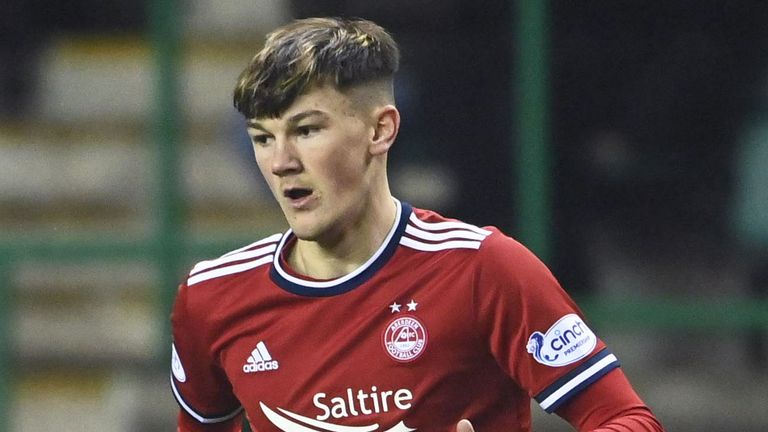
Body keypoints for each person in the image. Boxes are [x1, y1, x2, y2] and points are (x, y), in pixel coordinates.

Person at [169, 17, 664, 431]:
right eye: (262, 137)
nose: (280, 162)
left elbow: (627, 418)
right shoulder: (212, 297)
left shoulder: (482, 269)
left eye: (306, 130)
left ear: (380, 130)